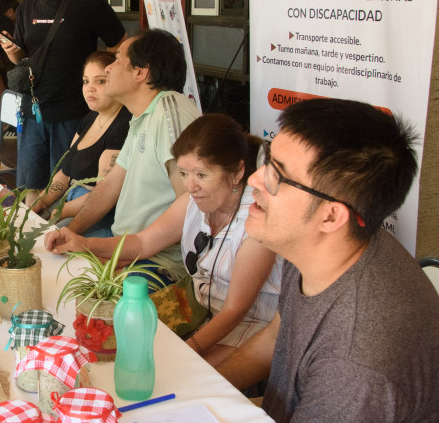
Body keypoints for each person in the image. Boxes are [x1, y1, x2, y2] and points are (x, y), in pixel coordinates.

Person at [217, 99, 439, 423]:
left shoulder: (359, 353)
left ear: (331, 216)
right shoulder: (317, 246)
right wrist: (203, 385)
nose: (254, 179)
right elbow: (277, 334)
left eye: (277, 176)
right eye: (266, 159)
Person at [47, 114, 281, 365]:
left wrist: (187, 348)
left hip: (244, 325)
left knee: (174, 373)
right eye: (183, 173)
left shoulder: (254, 222)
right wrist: (82, 243)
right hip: (196, 308)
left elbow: (235, 310)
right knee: (112, 343)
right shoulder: (193, 201)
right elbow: (144, 243)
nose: (190, 186)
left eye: (201, 175)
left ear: (237, 172)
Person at [46, 29, 200, 282]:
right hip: (123, 244)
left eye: (117, 59)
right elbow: (109, 187)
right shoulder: (141, 116)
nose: (109, 68)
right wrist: (69, 234)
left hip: (157, 260)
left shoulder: (171, 110)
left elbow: (192, 202)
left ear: (141, 72)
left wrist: (131, 254)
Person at [0, 0, 126, 192]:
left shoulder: (88, 1)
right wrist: (12, 51)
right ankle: (30, 229)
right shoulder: (26, 7)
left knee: (63, 185)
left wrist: (101, 80)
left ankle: (57, 232)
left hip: (73, 112)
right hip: (33, 110)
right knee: (29, 185)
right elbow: (21, 59)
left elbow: (119, 43)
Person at [30, 51, 130, 236]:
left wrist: (62, 210)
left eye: (100, 81)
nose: (90, 88)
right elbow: (65, 171)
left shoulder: (123, 125)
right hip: (68, 201)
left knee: (45, 240)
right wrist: (42, 200)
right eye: (86, 81)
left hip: (96, 212)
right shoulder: (90, 118)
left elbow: (104, 193)